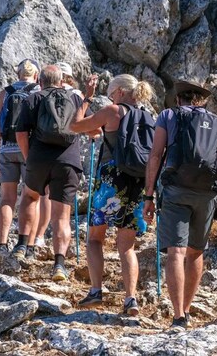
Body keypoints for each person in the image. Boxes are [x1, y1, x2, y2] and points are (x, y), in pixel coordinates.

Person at [143, 80, 217, 328]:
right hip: (207, 193)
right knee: (196, 251)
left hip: (175, 190)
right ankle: (186, 308)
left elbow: (155, 155)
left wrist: (148, 195)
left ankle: (178, 316)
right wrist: (211, 178)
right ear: (203, 101)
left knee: (176, 251)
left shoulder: (167, 116)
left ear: (178, 99)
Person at [70, 74, 155, 316]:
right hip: (138, 182)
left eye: (109, 92)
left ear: (119, 92)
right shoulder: (148, 117)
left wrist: (86, 98)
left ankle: (96, 291)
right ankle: (131, 299)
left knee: (95, 238)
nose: (109, 96)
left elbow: (75, 125)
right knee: (127, 245)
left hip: (111, 180)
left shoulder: (112, 111)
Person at [12, 65, 89, 282]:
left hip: (39, 158)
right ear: (62, 80)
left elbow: (20, 132)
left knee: (30, 197)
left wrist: (29, 158)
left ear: (40, 80)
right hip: (68, 162)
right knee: (62, 216)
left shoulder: (33, 99)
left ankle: (21, 245)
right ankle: (59, 266)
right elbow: (90, 128)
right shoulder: (75, 99)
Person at [0, 59, 42, 251]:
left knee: (7, 199)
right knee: (31, 198)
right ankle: (27, 245)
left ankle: (2, 243)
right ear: (36, 75)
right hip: (29, 150)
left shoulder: (5, 93)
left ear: (18, 74)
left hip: (7, 150)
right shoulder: (38, 91)